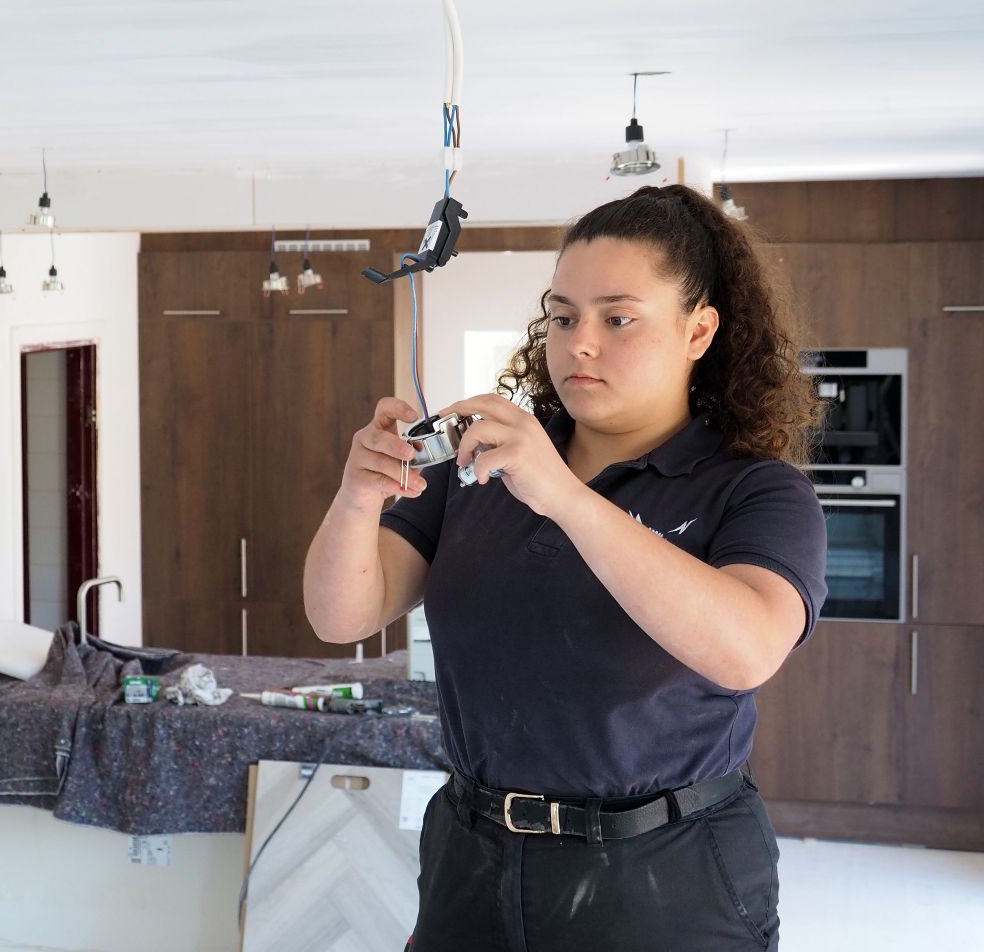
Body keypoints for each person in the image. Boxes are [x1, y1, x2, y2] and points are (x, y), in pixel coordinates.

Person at [302, 183, 827, 951]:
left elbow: (745, 650)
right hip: (472, 860)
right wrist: (356, 497)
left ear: (698, 331)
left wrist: (564, 496)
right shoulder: (476, 468)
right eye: (562, 315)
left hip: (665, 877)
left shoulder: (754, 490)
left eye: (618, 318)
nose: (580, 342)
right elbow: (341, 615)